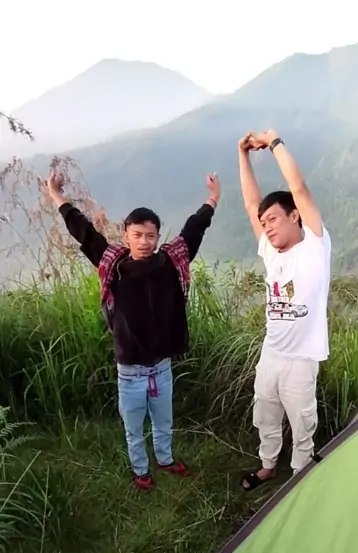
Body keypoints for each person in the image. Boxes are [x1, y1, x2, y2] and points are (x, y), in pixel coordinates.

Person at [46, 169, 221, 490]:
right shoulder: (113, 264)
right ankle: (141, 471)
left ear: (157, 237)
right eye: (137, 234)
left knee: (164, 421)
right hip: (129, 370)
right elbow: (83, 231)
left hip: (162, 366)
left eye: (150, 236)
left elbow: (194, 229)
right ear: (126, 235)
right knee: (133, 428)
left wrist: (213, 198)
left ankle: (165, 460)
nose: (144, 241)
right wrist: (56, 195)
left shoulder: (170, 262)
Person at [238, 129, 331, 490]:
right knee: (265, 411)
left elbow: (299, 187)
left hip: (302, 358)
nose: (267, 227)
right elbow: (251, 204)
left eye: (273, 219)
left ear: (295, 216)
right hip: (272, 352)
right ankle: (267, 464)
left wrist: (274, 142)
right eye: (264, 224)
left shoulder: (314, 249)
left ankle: (299, 475)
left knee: (302, 420)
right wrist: (243, 155)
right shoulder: (270, 252)